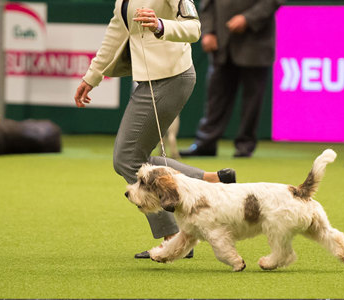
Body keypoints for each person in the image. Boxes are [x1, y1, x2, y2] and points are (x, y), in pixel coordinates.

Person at [74, 0, 236, 259]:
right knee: (134, 159)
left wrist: (161, 25)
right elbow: (116, 33)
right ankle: (209, 179)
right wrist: (91, 77)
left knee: (127, 158)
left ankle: (175, 239)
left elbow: (194, 28)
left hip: (172, 78)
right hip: (149, 81)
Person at [180, 0, 285, 158]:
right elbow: (207, 5)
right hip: (221, 43)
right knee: (215, 98)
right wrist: (208, 32)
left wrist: (248, 18)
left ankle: (245, 145)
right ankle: (205, 143)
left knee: (252, 100)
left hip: (256, 42)